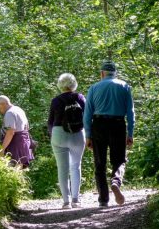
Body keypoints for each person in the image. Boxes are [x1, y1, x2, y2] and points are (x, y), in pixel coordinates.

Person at [83, 60, 135, 207]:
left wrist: (88, 136)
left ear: (102, 73)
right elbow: (130, 112)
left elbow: (87, 114)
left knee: (100, 163)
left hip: (98, 125)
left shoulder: (94, 88)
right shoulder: (124, 86)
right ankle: (116, 181)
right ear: (115, 73)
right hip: (118, 124)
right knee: (119, 159)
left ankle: (103, 200)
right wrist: (130, 133)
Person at [48, 73, 87, 209]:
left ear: (60, 85)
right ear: (74, 84)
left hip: (59, 133)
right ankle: (76, 200)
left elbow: (50, 122)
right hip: (78, 134)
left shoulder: (56, 100)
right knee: (76, 166)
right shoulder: (80, 97)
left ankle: (66, 202)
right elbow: (87, 118)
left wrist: (52, 135)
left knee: (62, 168)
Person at [0, 95, 34, 168]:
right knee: (20, 168)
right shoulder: (18, 109)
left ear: (4, 104)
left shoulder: (9, 113)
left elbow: (10, 132)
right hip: (24, 142)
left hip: (15, 144)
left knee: (14, 169)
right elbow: (27, 127)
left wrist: (2, 149)